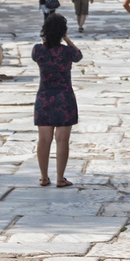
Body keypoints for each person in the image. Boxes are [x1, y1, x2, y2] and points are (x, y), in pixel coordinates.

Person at [32, 13, 82, 188]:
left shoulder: (37, 50)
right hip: (64, 98)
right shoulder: (68, 52)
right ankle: (60, 178)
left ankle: (44, 177)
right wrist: (66, 38)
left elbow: (35, 57)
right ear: (62, 32)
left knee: (43, 139)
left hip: (44, 98)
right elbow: (79, 55)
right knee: (62, 140)